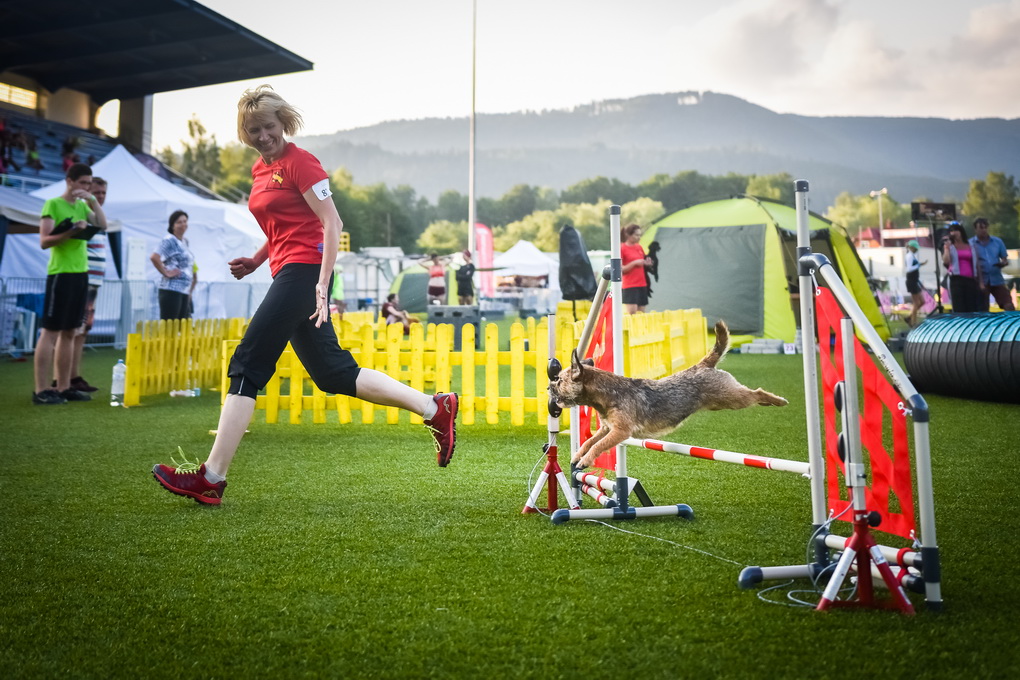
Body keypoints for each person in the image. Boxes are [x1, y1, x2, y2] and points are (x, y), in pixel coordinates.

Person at [152, 84, 458, 506]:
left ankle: (211, 477)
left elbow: (332, 223)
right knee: (333, 373)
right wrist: (257, 260)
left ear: (284, 122)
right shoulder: (261, 170)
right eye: (254, 130)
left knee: (248, 363)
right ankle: (435, 408)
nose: (263, 136)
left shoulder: (301, 162)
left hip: (305, 273)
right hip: (287, 271)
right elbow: (282, 225)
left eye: (269, 126)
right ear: (244, 133)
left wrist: (322, 281)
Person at [32, 163, 107, 405]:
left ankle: (64, 387)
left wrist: (92, 201)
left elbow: (102, 225)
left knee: (70, 331)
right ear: (70, 181)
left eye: (89, 184)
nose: (86, 187)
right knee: (50, 331)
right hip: (60, 274)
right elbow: (44, 241)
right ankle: (41, 390)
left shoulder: (83, 206)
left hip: (81, 274)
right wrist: (71, 231)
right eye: (83, 182)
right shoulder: (53, 204)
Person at [62, 176, 109, 392]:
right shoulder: (81, 213)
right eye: (96, 193)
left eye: (103, 193)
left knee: (83, 331)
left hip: (94, 283)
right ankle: (63, 379)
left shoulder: (97, 219)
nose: (100, 197)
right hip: (83, 280)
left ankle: (75, 376)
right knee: (73, 330)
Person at [150, 210, 197, 320]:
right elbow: (154, 257)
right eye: (179, 222)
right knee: (170, 324)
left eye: (185, 221)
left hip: (184, 290)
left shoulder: (185, 242)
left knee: (182, 325)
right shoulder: (169, 240)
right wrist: (165, 272)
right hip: (171, 289)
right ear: (172, 226)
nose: (183, 224)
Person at [969, 217, 1015, 311]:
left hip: (996, 278)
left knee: (1008, 304)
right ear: (975, 229)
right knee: (983, 307)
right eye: (981, 228)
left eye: (985, 227)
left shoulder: (997, 242)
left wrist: (1003, 263)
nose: (984, 230)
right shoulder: (970, 243)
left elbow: (1004, 258)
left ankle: (1012, 320)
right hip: (981, 280)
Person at [942, 222, 983, 313]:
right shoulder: (950, 246)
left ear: (961, 232)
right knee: (958, 306)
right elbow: (946, 261)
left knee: (971, 306)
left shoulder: (971, 245)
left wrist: (981, 281)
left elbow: (977, 264)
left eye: (956, 230)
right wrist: (946, 248)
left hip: (970, 279)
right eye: (952, 231)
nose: (954, 232)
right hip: (956, 279)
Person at [620, 223, 652, 314]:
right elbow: (620, 269)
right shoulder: (622, 248)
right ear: (628, 235)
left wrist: (647, 263)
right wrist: (634, 263)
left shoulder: (639, 247)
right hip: (630, 285)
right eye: (636, 235)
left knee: (641, 313)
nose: (639, 237)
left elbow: (642, 261)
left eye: (640, 235)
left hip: (642, 284)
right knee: (632, 313)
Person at [904, 239, 927, 327]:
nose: (917, 250)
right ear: (912, 248)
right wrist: (919, 265)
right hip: (912, 281)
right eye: (916, 248)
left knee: (922, 301)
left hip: (915, 281)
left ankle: (909, 317)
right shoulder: (909, 256)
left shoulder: (912, 256)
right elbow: (909, 269)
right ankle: (914, 322)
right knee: (916, 303)